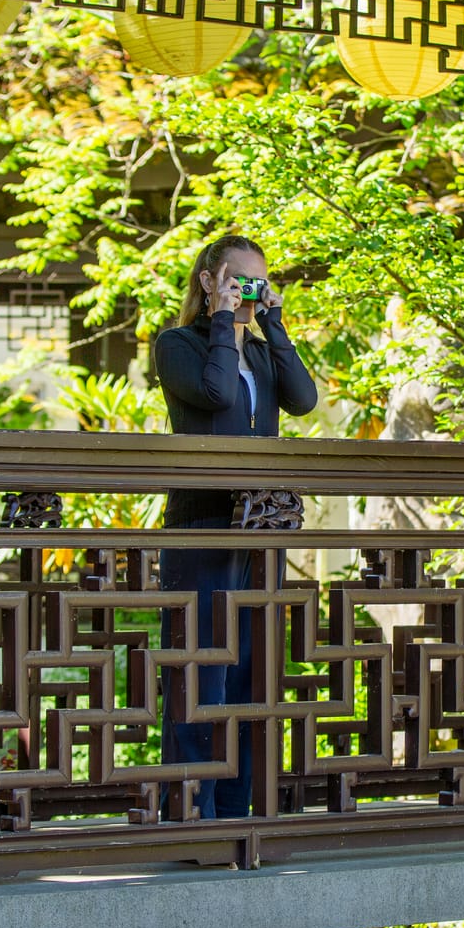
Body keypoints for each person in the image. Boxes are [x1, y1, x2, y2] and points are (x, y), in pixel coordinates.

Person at [152, 234, 318, 819]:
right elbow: (217, 395)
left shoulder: (262, 349)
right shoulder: (178, 344)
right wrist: (223, 322)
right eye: (238, 280)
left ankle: (238, 810)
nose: (249, 290)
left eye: (256, 281)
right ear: (208, 280)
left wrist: (274, 325)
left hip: (256, 528)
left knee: (250, 674)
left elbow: (303, 401)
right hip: (201, 526)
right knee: (201, 673)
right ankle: (194, 815)